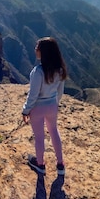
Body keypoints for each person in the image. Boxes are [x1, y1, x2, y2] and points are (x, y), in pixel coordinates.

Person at [22, 37, 67, 176]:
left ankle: (40, 164)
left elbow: (33, 95)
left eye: (37, 47)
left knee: (39, 137)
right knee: (54, 131)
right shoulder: (59, 70)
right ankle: (60, 164)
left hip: (38, 108)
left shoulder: (38, 71)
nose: (35, 49)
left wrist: (26, 110)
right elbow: (60, 92)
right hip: (52, 105)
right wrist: (54, 104)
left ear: (43, 52)